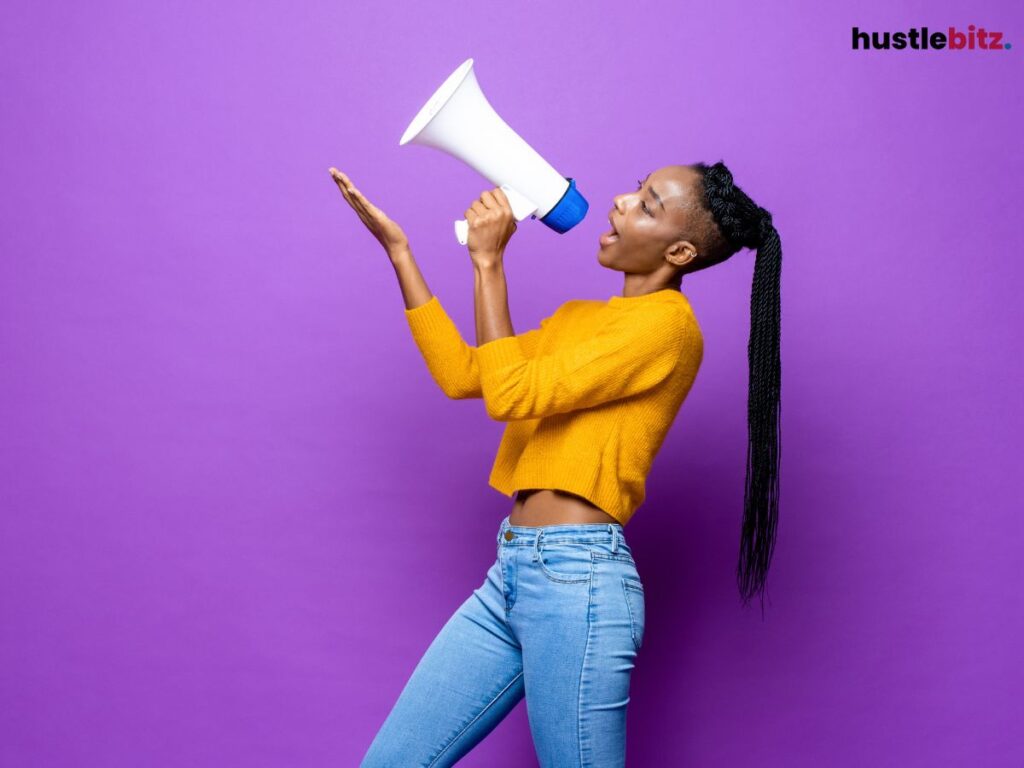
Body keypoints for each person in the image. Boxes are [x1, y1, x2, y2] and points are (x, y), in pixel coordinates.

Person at [330, 162, 782, 767]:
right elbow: (469, 375)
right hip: (512, 574)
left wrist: (489, 264)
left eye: (648, 205)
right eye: (636, 188)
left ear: (679, 250)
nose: (622, 202)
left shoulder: (670, 330)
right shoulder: (580, 319)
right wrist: (400, 253)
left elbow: (512, 394)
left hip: (579, 585)